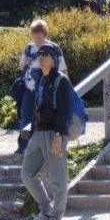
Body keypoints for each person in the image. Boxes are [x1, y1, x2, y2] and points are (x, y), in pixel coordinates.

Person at [21, 44, 72, 220]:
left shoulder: (62, 81)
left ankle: (57, 217)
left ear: (53, 58)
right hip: (38, 133)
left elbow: (64, 110)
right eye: (39, 54)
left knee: (58, 178)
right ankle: (46, 209)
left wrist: (59, 134)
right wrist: (31, 128)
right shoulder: (40, 79)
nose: (40, 57)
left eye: (44, 54)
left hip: (54, 134)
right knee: (27, 173)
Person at [16, 19, 68, 154]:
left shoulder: (54, 48)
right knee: (25, 114)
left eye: (39, 37)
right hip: (30, 87)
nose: (37, 40)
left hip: (47, 88)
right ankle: (23, 147)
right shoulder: (29, 47)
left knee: (43, 116)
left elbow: (63, 69)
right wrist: (25, 62)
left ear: (45, 35)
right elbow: (21, 66)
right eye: (35, 37)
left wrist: (67, 86)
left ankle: (40, 148)